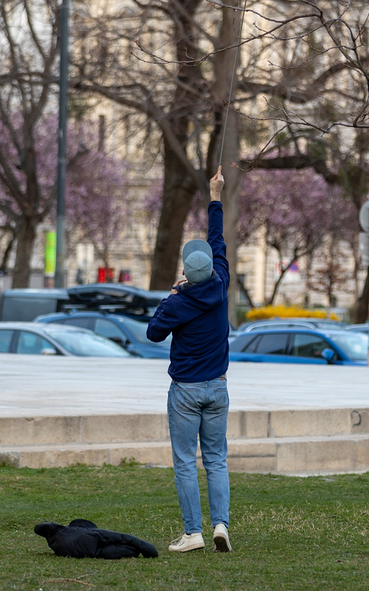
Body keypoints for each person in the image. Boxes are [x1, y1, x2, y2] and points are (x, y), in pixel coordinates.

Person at [147, 166, 232, 554]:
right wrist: (215, 197)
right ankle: (220, 525)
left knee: (185, 462)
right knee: (216, 460)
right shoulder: (221, 284)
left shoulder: (178, 303)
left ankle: (193, 533)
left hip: (185, 391)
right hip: (218, 388)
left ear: (185, 271)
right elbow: (217, 239)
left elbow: (153, 333)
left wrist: (171, 296)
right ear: (212, 267)